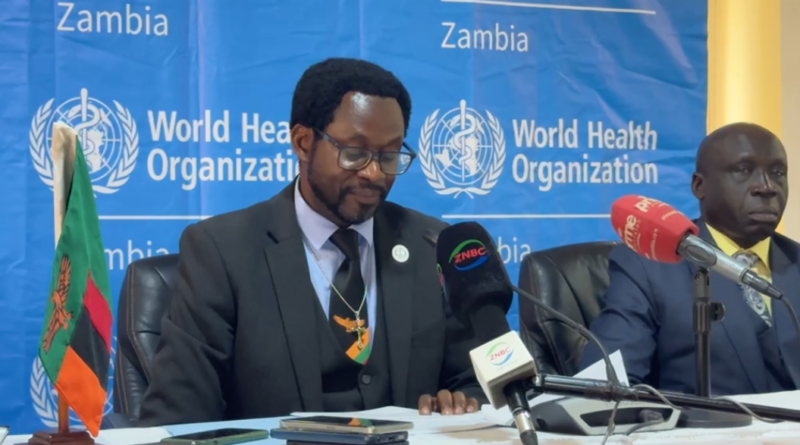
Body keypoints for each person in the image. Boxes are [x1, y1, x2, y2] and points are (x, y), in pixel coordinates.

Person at [136, 58, 487, 426]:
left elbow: (482, 387)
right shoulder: (222, 252)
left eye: (390, 156)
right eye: (355, 153)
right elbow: (178, 418)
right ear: (303, 143)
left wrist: (461, 405)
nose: (374, 173)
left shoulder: (433, 245)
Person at [582, 122, 800, 396]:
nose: (767, 187)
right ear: (699, 186)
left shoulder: (795, 259)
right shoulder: (647, 267)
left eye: (778, 173)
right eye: (743, 170)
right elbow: (607, 389)